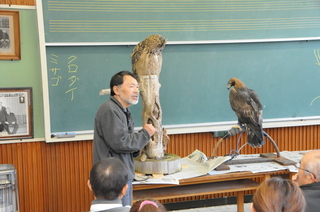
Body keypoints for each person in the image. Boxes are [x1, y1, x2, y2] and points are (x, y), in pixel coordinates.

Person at [93, 70, 157, 206]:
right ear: (116, 89)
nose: (136, 91)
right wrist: (145, 134)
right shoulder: (110, 109)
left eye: (137, 87)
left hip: (119, 174)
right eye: (131, 86)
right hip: (111, 176)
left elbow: (126, 142)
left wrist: (140, 139)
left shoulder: (123, 110)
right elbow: (121, 142)